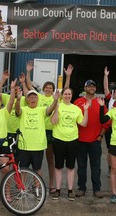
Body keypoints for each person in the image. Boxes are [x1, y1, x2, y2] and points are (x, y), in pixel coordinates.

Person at [24, 60, 73, 194]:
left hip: (52, 132)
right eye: (46, 87)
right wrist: (28, 71)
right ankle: (33, 185)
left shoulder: (56, 98)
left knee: (50, 159)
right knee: (35, 161)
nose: (48, 89)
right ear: (43, 89)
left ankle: (51, 185)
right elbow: (29, 86)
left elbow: (66, 89)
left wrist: (68, 76)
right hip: (39, 132)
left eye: (50, 88)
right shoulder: (38, 97)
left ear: (53, 90)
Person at [51, 87, 89, 201]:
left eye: (69, 94)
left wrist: (86, 110)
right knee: (58, 166)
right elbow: (53, 121)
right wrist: (56, 108)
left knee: (71, 166)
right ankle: (58, 190)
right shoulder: (57, 105)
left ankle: (70, 190)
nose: (67, 96)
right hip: (58, 139)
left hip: (72, 140)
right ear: (62, 95)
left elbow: (83, 124)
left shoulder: (76, 109)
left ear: (72, 96)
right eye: (65, 94)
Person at [74, 79, 110, 199]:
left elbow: (106, 121)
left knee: (96, 167)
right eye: (89, 86)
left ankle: (97, 189)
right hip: (80, 140)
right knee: (81, 166)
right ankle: (81, 188)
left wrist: (101, 136)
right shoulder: (78, 102)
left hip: (95, 140)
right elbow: (71, 120)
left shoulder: (100, 102)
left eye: (93, 86)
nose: (91, 87)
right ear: (85, 88)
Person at [15, 87, 59, 183]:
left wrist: (55, 100)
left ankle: (38, 190)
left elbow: (50, 109)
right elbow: (17, 110)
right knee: (23, 170)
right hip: (24, 146)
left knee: (37, 169)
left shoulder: (41, 110)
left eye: (35, 97)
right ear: (26, 100)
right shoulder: (23, 109)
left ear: (38, 99)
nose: (33, 99)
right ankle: (23, 189)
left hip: (38, 146)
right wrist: (18, 99)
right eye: (30, 97)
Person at [0, 79, 16, 198]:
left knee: (5, 169)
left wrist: (12, 89)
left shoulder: (4, 112)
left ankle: (7, 193)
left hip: (2, 143)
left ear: (1, 102)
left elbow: (11, 102)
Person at [103, 66, 116, 178]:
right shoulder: (110, 99)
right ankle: (111, 169)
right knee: (110, 150)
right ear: (114, 94)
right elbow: (105, 88)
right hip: (110, 128)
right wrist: (106, 76)